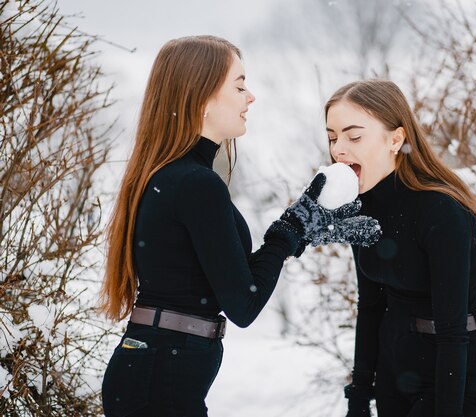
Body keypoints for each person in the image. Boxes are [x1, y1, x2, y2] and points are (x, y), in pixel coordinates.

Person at [98, 36, 381, 417]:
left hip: (156, 368)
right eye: (240, 85)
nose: (251, 97)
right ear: (202, 98)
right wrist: (290, 228)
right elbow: (243, 304)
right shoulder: (196, 183)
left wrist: (300, 232)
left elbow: (232, 278)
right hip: (161, 377)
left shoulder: (177, 175)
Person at [324, 80, 476, 417]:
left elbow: (452, 333)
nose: (338, 149)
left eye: (354, 136)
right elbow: (371, 307)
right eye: (333, 137)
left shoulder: (441, 210)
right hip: (395, 372)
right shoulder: (358, 208)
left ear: (396, 138)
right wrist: (359, 398)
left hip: (452, 374)